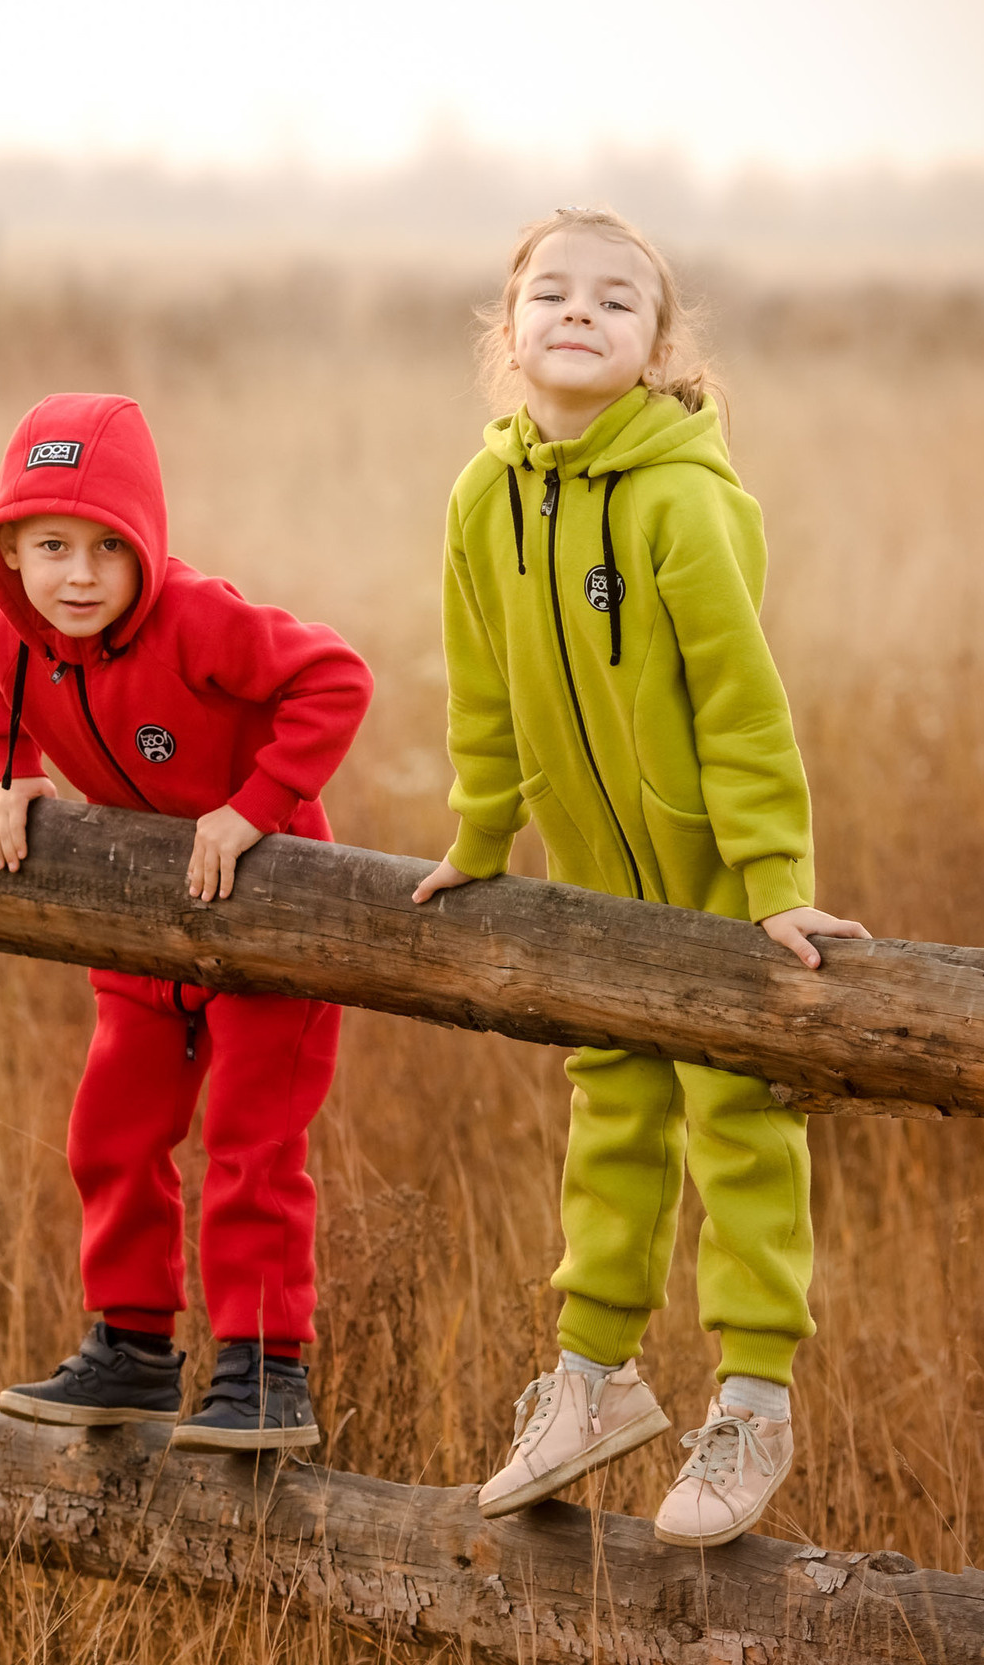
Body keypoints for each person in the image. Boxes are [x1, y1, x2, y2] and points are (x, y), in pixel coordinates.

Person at [410, 208, 870, 1543]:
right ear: (507, 333)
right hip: (591, 881)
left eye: (617, 301)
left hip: (713, 881)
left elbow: (741, 698)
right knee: (610, 1106)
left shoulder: (685, 498)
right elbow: (481, 686)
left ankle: (754, 1400)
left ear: (661, 349)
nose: (579, 311)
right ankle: (594, 1379)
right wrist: (480, 838)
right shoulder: (482, 496)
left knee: (738, 1115)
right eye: (550, 292)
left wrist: (773, 875)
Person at [0, 392, 373, 1451]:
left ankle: (264, 1374)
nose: (80, 576)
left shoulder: (197, 619)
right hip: (140, 921)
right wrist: (11, 769)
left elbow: (334, 677)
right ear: (8, 550)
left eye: (110, 546)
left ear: (147, 543)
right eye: (52, 547)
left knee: (251, 1145)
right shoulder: (3, 634)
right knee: (111, 1131)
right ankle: (133, 1350)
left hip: (269, 913)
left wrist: (255, 805)